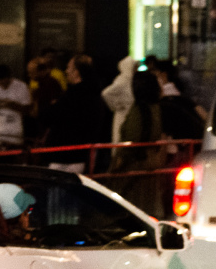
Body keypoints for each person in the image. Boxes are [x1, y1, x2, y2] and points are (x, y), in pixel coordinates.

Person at [112, 70, 167, 217]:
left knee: (129, 206)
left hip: (134, 164)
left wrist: (119, 161)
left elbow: (132, 137)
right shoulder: (156, 108)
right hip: (149, 163)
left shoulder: (138, 110)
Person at [42, 54, 110, 172]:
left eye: (69, 68)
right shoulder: (96, 96)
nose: (66, 71)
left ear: (77, 72)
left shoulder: (72, 96)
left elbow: (49, 117)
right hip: (85, 154)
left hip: (64, 156)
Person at [101, 56, 137, 144]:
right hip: (123, 114)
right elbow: (106, 93)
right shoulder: (123, 80)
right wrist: (117, 105)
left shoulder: (131, 80)